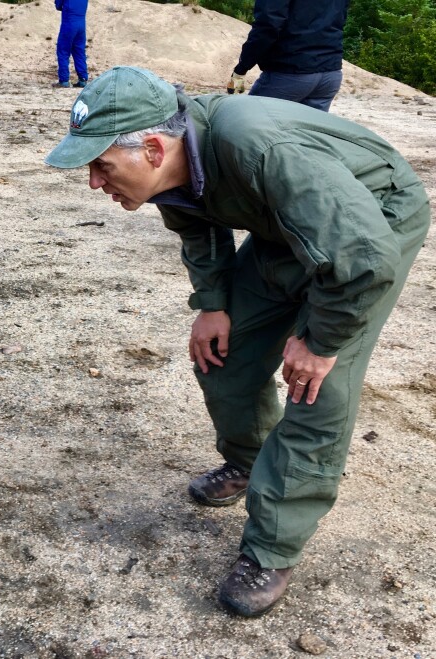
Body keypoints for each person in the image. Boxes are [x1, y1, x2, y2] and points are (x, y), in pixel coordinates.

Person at [46, 66, 430, 617]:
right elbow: (193, 221)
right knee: (221, 355)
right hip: (290, 223)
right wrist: (212, 303)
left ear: (152, 149)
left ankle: (274, 545)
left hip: (372, 222)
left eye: (101, 166)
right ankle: (249, 460)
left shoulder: (260, 149)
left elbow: (362, 260)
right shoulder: (175, 158)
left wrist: (320, 342)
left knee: (315, 388)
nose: (94, 183)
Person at [228, 0, 350, 111]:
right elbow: (340, 19)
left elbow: (268, 26)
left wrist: (242, 68)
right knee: (307, 133)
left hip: (290, 73)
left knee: (250, 122)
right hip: (330, 74)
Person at [52, 0, 88, 89]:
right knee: (79, 52)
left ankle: (64, 81)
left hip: (69, 23)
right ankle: (83, 80)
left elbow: (58, 6)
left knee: (63, 51)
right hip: (82, 24)